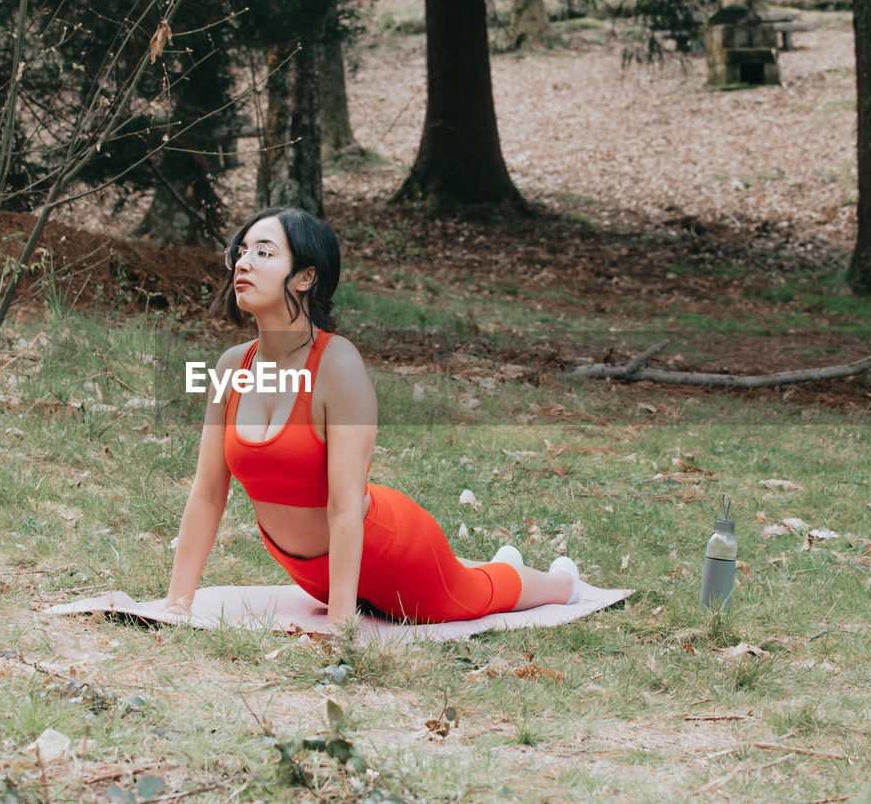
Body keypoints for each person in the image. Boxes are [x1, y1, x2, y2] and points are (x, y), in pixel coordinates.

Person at [163, 208, 581, 628]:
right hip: (315, 575)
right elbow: (207, 494)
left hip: (394, 554)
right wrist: (176, 606)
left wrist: (342, 627)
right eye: (241, 251)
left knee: (473, 596)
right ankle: (500, 564)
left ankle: (558, 582)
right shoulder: (229, 368)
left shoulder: (337, 364)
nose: (243, 262)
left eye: (264, 252)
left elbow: (345, 506)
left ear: (306, 276)